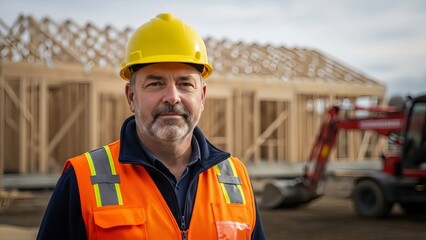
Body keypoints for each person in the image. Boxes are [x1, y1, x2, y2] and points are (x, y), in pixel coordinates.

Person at [37, 13, 266, 240]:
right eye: (155, 83)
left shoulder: (236, 177)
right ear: (131, 97)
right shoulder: (81, 179)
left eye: (185, 84)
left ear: (202, 97)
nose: (172, 97)